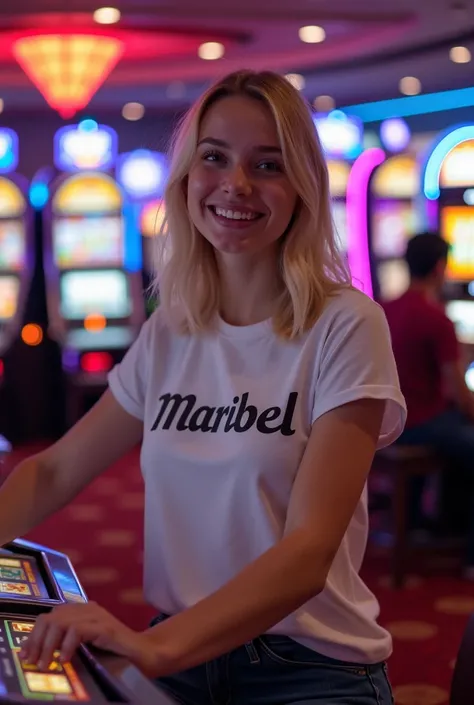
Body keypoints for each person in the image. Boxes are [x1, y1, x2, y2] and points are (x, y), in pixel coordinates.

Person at [2, 70, 405, 704]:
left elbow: (309, 551)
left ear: (302, 185)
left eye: (267, 164)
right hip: (184, 652)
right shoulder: (173, 329)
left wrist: (156, 649)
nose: (235, 184)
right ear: (187, 176)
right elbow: (53, 472)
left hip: (307, 668)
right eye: (214, 157)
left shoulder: (346, 325)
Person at [383, 232, 474, 574]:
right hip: (419, 423)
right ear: (440, 267)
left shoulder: (382, 308)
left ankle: (429, 523)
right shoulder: (437, 319)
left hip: (384, 420)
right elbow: (458, 391)